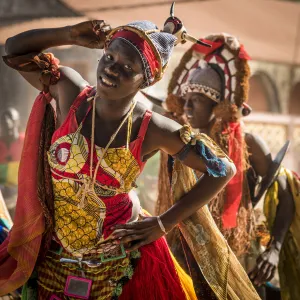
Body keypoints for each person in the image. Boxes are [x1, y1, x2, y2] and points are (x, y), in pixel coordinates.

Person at [0, 18, 249, 299]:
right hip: (53, 258)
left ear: (148, 79)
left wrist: (163, 223)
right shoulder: (69, 92)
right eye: (109, 57)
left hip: (121, 263)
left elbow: (222, 168)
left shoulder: (152, 129)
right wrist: (71, 34)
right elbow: (13, 52)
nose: (111, 69)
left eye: (127, 68)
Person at [151, 34, 297, 299]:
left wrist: (273, 250)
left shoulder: (248, 143)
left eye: (196, 99)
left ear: (217, 105)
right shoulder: (183, 144)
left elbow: (285, 189)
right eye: (186, 99)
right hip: (189, 254)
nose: (187, 107)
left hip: (238, 255)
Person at [0, 108, 24, 218]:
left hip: (21, 195)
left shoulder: (26, 141)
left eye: (10, 117)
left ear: (17, 122)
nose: (6, 120)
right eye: (3, 118)